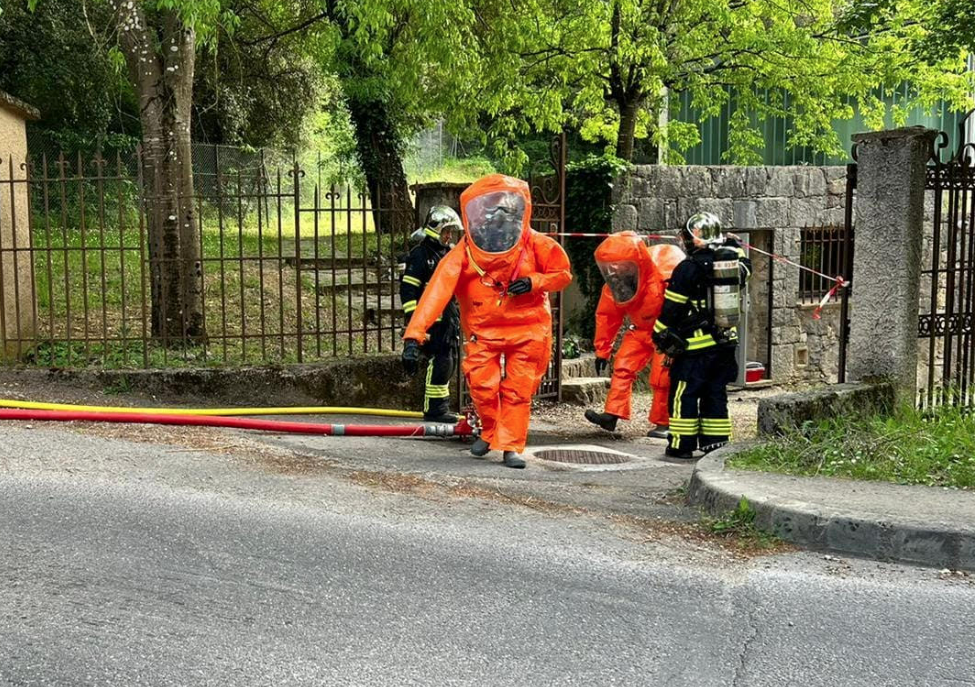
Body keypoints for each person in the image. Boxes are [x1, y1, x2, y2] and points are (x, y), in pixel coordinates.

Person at [401, 174, 572, 468]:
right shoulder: (464, 253)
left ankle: (511, 446)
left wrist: (533, 282)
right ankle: (491, 431)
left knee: (517, 391)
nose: (497, 221)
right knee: (482, 386)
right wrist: (413, 337)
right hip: (483, 330)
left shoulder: (536, 244)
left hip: (529, 329)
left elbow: (562, 274)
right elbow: (436, 293)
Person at [652, 212, 751, 459]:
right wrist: (731, 244)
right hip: (725, 344)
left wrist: (659, 335)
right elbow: (745, 263)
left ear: (694, 240)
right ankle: (715, 445)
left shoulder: (688, 268)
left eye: (686, 236)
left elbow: (672, 309)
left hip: (694, 348)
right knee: (715, 393)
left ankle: (680, 445)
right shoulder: (734, 266)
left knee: (684, 394)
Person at [584, 233, 685, 438]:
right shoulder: (616, 285)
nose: (615, 271)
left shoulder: (665, 273)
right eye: (611, 266)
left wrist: (680, 331)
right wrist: (602, 351)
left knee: (661, 377)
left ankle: (664, 423)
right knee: (622, 366)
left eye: (620, 265)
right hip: (640, 330)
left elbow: (684, 302)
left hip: (666, 332)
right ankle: (612, 415)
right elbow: (607, 317)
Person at [400, 205, 463, 423]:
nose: (449, 236)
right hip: (430, 322)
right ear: (435, 229)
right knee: (440, 361)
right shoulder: (421, 254)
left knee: (449, 361)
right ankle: (434, 410)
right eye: (446, 231)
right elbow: (408, 291)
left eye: (451, 232)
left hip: (448, 319)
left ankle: (440, 407)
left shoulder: (449, 253)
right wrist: (414, 326)